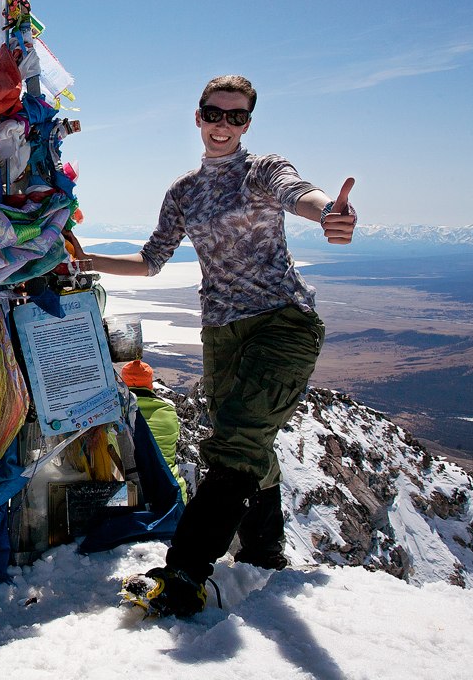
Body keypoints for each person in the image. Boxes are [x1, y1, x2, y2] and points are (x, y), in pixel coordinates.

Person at [79, 75, 357, 616]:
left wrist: (328, 213)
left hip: (281, 323)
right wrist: (90, 262)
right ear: (199, 117)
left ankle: (184, 572)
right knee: (248, 440)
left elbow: (297, 193)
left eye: (237, 116)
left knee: (235, 443)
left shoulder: (261, 170)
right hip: (220, 333)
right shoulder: (183, 192)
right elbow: (151, 260)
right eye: (215, 113)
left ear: (248, 123)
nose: (224, 125)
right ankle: (263, 552)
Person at [120, 359, 187, 503]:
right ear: (149, 384)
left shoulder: (118, 413)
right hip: (171, 493)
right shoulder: (169, 411)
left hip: (130, 495)